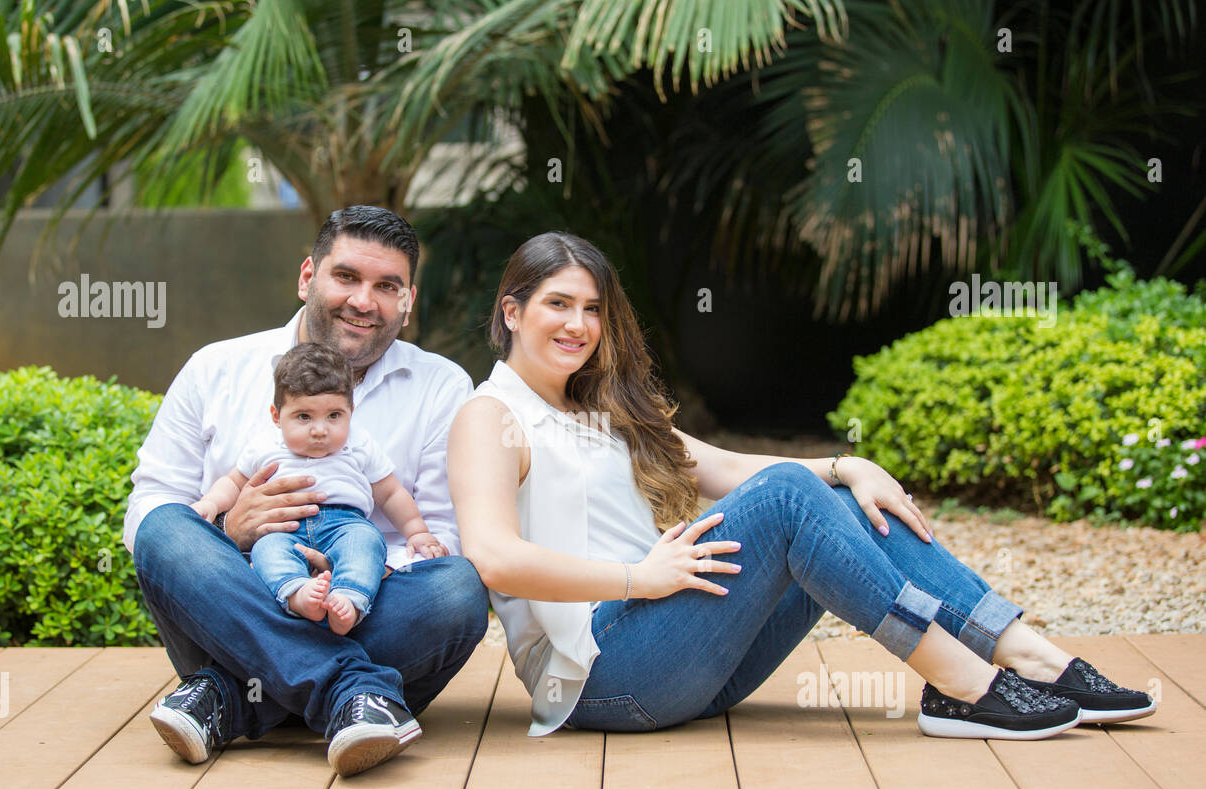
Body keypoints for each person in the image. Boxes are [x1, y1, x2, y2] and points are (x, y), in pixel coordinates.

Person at [447, 232, 1156, 740]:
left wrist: (848, 466)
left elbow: (723, 469)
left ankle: (1029, 653)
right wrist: (638, 577)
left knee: (847, 502)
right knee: (791, 494)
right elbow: (494, 558)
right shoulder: (491, 416)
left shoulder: (600, 411)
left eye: (593, 308)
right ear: (512, 311)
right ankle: (965, 684)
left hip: (688, 665)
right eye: (558, 304)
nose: (579, 324)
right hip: (599, 679)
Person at [125, 205, 489, 778]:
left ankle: (223, 702)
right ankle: (351, 691)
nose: (364, 301)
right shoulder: (214, 369)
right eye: (346, 277)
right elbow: (149, 506)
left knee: (456, 592)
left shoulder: (442, 387)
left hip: (364, 609)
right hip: (241, 599)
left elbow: (441, 535)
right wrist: (232, 534)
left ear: (408, 301)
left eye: (386, 286)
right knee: (162, 530)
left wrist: (355, 569)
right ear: (307, 278)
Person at [192, 341, 446, 635]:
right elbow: (234, 482)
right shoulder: (264, 445)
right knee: (266, 551)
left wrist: (417, 532)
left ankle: (348, 599)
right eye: (304, 417)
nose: (320, 429)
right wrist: (211, 504)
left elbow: (390, 492)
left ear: (351, 410)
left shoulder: (359, 444)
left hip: (346, 525)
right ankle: (297, 593)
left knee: (366, 543)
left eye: (334, 416)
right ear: (276, 416)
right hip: (283, 529)